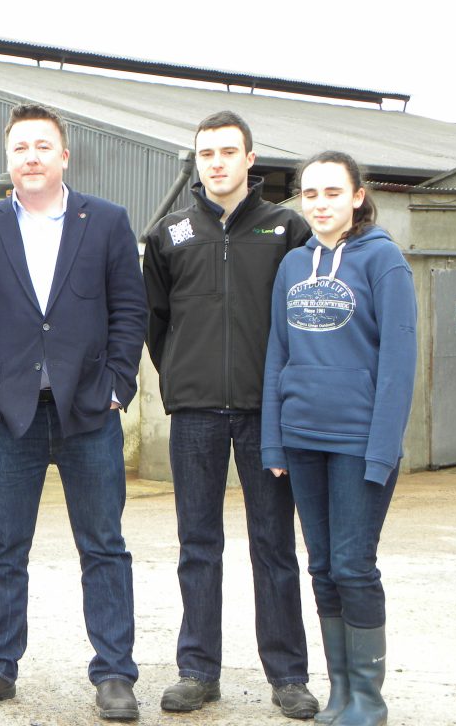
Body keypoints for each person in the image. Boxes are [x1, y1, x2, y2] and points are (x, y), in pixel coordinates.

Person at [0, 103, 148, 722]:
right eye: (20, 148)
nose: (31, 157)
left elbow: (128, 312)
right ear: (8, 159)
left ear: (65, 156)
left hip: (89, 411)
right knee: (4, 544)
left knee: (104, 545)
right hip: (9, 414)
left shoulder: (107, 222)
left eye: (42, 146)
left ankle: (114, 672)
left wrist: (117, 384)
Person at [143, 110, 319, 718]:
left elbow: (302, 318)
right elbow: (156, 322)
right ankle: (197, 670)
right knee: (198, 544)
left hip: (265, 414)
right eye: (205, 153)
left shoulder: (287, 230)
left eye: (227, 152)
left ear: (250, 160)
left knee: (273, 545)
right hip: (194, 414)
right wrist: (184, 378)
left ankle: (288, 674)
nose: (215, 162)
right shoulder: (170, 234)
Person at [263, 151, 416, 726]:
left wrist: (382, 450)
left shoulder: (385, 262)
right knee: (322, 566)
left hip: (358, 442)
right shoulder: (291, 266)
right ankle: (341, 695)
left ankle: (369, 702)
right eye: (310, 194)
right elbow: (278, 352)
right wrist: (273, 443)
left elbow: (400, 365)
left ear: (357, 196)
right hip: (303, 438)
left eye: (332, 192)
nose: (320, 203)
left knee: (354, 565)